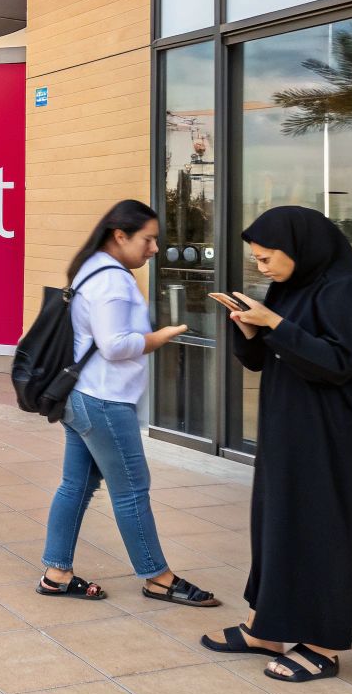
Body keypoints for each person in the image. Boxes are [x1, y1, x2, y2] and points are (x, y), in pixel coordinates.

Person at [203, 206, 352, 683]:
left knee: (320, 533)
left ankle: (321, 644)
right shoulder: (288, 287)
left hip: (331, 439)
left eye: (268, 257)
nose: (261, 267)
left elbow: (338, 361)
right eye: (256, 259)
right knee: (277, 526)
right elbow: (265, 358)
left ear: (299, 248)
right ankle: (265, 627)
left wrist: (275, 324)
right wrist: (249, 330)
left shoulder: (345, 290)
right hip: (288, 430)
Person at [37, 200, 218, 611]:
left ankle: (56, 574)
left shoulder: (91, 269)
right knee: (132, 490)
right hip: (104, 400)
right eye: (148, 239)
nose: (154, 248)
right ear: (120, 236)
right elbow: (114, 345)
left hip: (82, 395)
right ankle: (158, 578)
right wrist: (162, 335)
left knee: (76, 486)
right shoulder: (113, 280)